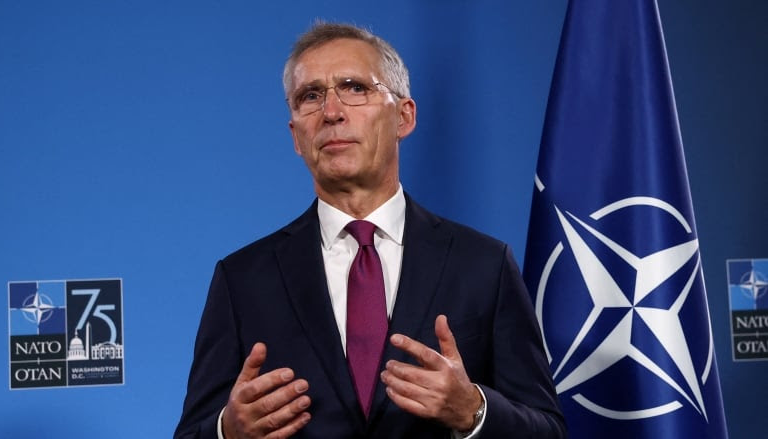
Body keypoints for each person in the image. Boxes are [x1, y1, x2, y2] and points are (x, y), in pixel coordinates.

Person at [174, 22, 565, 439]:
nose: (331, 112)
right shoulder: (243, 280)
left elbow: (548, 430)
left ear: (404, 116)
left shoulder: (483, 265)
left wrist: (474, 412)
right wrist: (228, 431)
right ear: (295, 136)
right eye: (310, 96)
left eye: (354, 87)